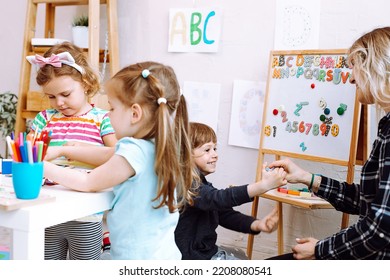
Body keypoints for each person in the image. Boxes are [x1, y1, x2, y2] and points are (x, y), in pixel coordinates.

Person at [42, 61, 194, 260]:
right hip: (164, 256)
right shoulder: (162, 147)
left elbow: (87, 183)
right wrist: (63, 149)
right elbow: (109, 154)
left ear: (134, 113)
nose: (109, 115)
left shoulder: (134, 151)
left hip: (133, 260)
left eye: (112, 109)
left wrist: (40, 166)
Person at [268, 27, 390, 260]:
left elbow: (381, 228)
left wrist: (320, 249)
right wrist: (307, 178)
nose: (351, 77)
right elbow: (366, 200)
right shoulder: (386, 126)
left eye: (354, 67)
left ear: (376, 68)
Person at [26, 42, 117, 260]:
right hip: (46, 209)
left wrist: (73, 151)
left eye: (65, 94)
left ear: (85, 83)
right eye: (50, 96)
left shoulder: (103, 119)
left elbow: (115, 156)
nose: (58, 102)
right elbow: (29, 151)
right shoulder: (45, 118)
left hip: (85, 212)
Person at [174, 122, 287, 260]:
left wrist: (258, 224)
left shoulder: (201, 185)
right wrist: (262, 186)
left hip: (207, 255)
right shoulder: (186, 186)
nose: (215, 154)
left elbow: (224, 214)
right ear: (186, 154)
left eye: (215, 148)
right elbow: (219, 198)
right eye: (207, 150)